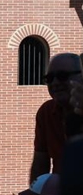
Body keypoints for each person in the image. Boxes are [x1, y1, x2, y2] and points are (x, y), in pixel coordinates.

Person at [30, 52, 83, 183]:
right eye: (49, 78)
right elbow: (40, 164)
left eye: (62, 76)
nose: (55, 83)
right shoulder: (46, 112)